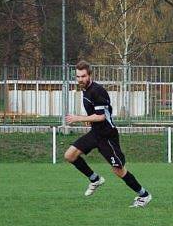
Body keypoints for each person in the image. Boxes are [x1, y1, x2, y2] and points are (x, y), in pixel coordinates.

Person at [63, 61, 152, 207]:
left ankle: (144, 195)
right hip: (95, 133)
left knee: (118, 170)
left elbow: (101, 116)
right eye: (78, 76)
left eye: (83, 76)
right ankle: (95, 179)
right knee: (70, 155)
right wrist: (89, 121)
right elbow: (97, 114)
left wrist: (79, 118)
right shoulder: (86, 90)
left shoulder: (97, 91)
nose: (80, 79)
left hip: (107, 135)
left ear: (90, 75)